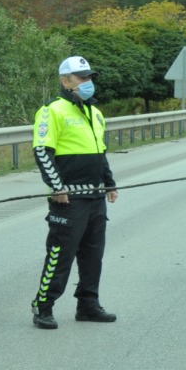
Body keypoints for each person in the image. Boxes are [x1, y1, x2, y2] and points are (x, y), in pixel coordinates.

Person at [30, 55, 118, 329]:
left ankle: (88, 304)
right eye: (82, 78)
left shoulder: (95, 112)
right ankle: (43, 306)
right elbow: (43, 152)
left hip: (95, 196)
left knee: (94, 255)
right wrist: (56, 186)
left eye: (90, 77)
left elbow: (99, 151)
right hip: (67, 198)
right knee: (60, 254)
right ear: (65, 80)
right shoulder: (51, 111)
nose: (87, 82)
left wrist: (109, 182)